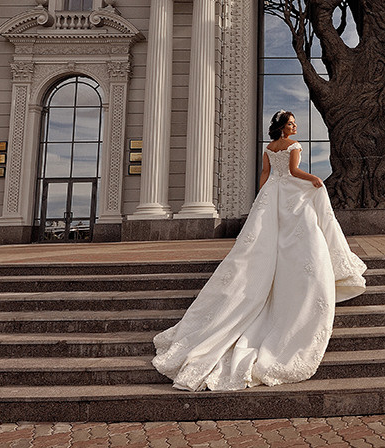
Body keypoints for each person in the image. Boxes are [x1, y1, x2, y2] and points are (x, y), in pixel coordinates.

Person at [151, 110, 367, 391]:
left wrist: (263, 198)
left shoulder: (269, 147)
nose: (295, 126)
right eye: (291, 123)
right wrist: (314, 178)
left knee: (262, 239)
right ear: (283, 127)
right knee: (303, 229)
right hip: (288, 192)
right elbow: (294, 173)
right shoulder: (293, 145)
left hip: (271, 193)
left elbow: (266, 174)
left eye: (294, 123)